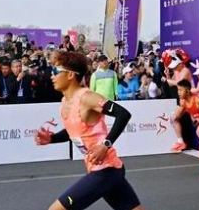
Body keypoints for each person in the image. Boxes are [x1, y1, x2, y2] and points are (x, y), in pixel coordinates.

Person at [34, 51, 146, 210]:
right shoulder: (65, 101)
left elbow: (123, 114)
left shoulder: (87, 98)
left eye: (55, 71)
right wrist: (51, 139)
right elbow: (73, 131)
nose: (52, 76)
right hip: (106, 171)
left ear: (70, 75)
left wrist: (105, 145)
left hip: (105, 171)